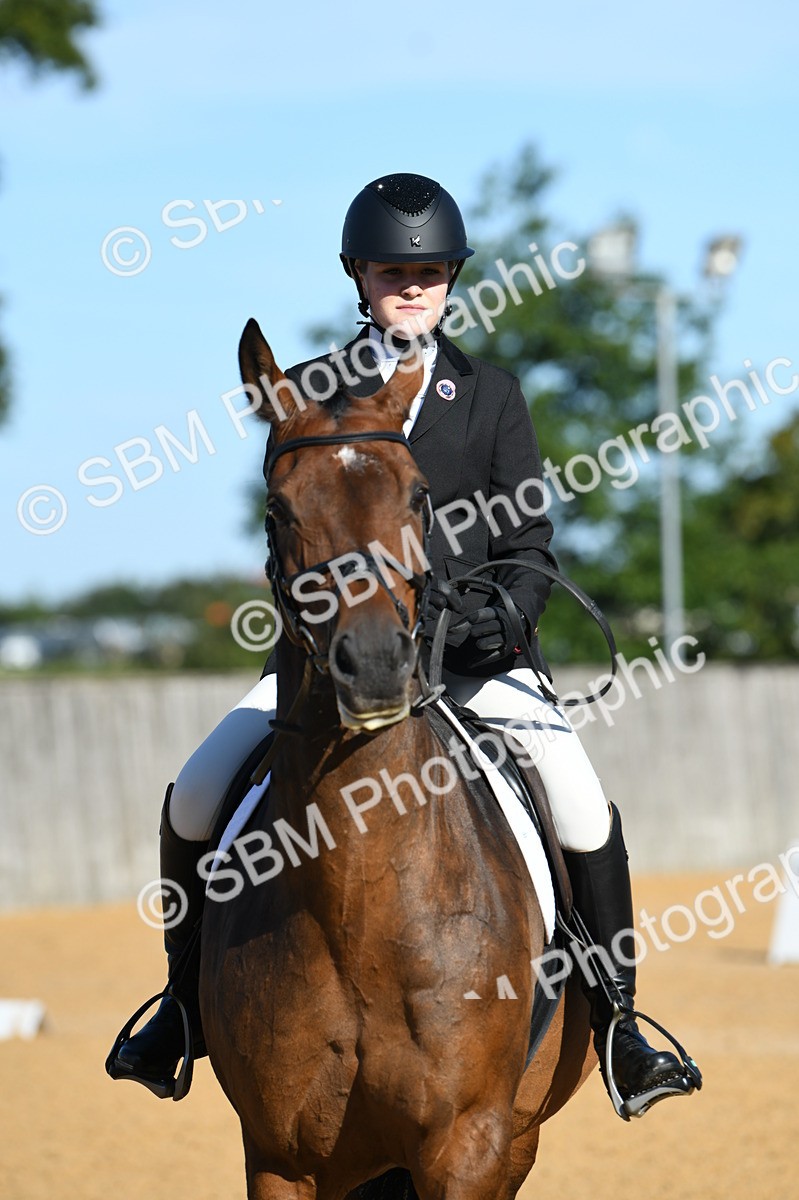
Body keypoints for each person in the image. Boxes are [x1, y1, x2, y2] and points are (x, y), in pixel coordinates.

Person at [108, 172, 699, 1117]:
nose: (412, 286)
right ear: (360, 276)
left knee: (581, 804)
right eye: (394, 270)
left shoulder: (492, 395)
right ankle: (181, 1008)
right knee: (195, 796)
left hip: (473, 663)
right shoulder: (308, 399)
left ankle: (624, 1025)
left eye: (429, 271)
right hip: (331, 666)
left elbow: (528, 546)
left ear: (453, 278)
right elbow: (288, 533)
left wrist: (491, 616)